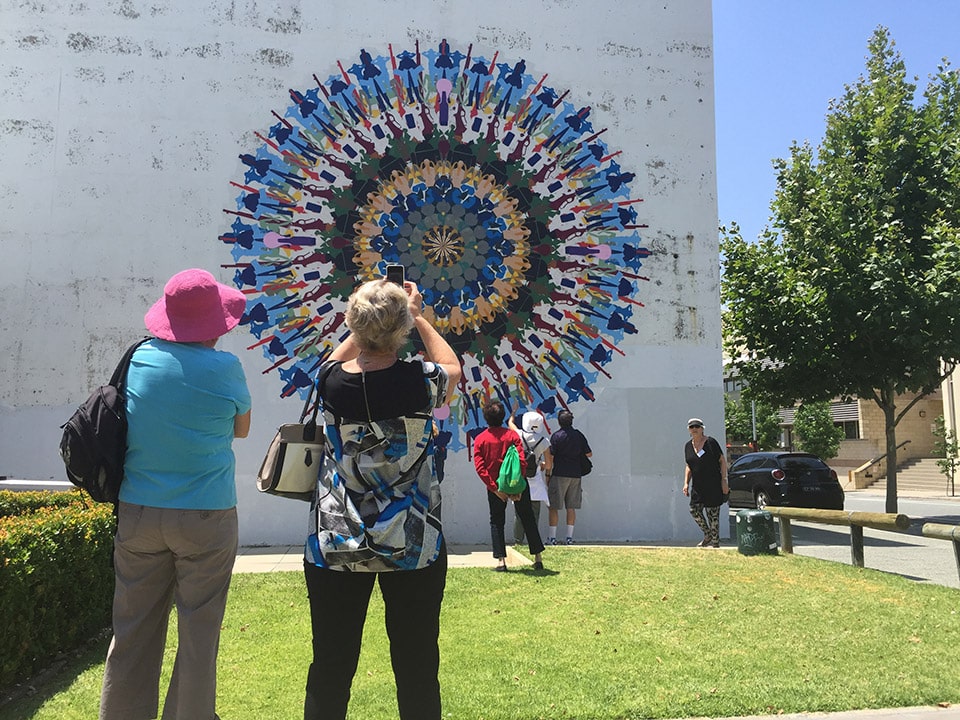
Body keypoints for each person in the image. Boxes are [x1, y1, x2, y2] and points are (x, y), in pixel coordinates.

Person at [303, 279, 461, 720]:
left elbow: (334, 359)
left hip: (337, 542)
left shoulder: (330, 382)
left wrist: (368, 323)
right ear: (402, 328)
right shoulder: (421, 382)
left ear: (353, 323)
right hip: (412, 543)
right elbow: (452, 366)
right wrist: (417, 316)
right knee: (417, 666)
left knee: (330, 666)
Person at [99, 268, 251, 720]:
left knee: (132, 631)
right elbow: (241, 430)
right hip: (206, 513)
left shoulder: (139, 359)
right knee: (199, 635)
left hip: (139, 510)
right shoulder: (225, 368)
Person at [473, 401, 546, 571]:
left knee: (497, 521)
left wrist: (494, 488)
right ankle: (538, 557)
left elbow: (480, 467)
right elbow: (521, 461)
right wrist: (519, 485)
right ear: (502, 416)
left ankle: (501, 561)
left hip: (495, 487)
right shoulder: (512, 436)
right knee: (527, 517)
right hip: (517, 483)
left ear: (486, 418)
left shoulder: (480, 439)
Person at [682, 417, 729, 548]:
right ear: (689, 430)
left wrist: (724, 480)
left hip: (713, 484)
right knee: (694, 510)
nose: (694, 429)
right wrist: (686, 483)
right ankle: (708, 535)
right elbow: (689, 465)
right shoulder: (688, 446)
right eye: (692, 427)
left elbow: (722, 461)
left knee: (713, 515)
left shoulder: (711, 442)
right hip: (697, 486)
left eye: (697, 427)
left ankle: (715, 544)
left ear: (702, 429)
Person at [507, 410, 552, 545]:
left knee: (519, 513)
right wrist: (541, 464)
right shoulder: (544, 441)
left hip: (520, 478)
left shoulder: (519, 435)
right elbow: (549, 465)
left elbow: (510, 424)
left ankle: (518, 541)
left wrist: (513, 412)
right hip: (535, 480)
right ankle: (533, 540)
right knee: (534, 513)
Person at [547, 410, 592, 545]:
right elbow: (589, 454)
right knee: (571, 507)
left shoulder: (556, 436)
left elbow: (551, 457)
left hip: (559, 473)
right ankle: (569, 538)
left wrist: (548, 474)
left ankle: (552, 538)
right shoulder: (578, 435)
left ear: (559, 422)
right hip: (575, 475)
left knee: (554, 506)